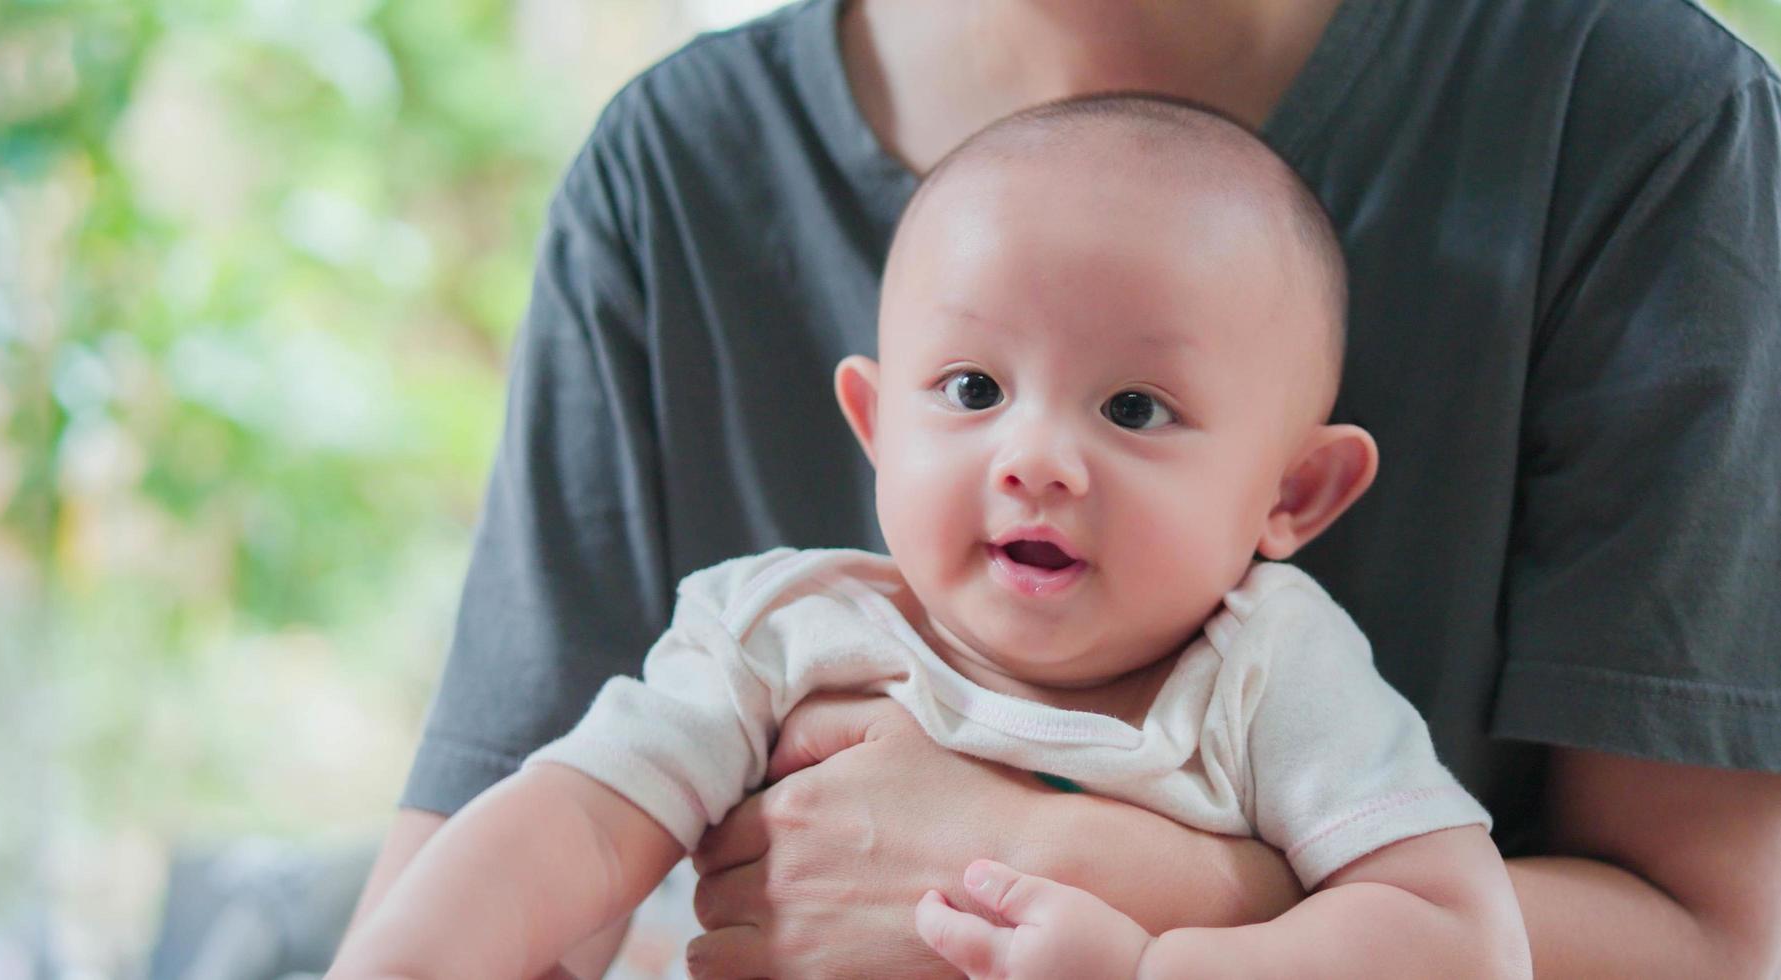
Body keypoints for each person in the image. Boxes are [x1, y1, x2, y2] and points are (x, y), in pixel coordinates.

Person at [351, 1, 1781, 976]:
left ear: (1297, 496)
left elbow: (1486, 939)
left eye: (1138, 409)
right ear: (869, 418)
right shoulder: (781, 622)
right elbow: (560, 822)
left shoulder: (1271, 674)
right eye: (968, 391)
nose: (1033, 458)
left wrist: (1123, 915)